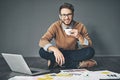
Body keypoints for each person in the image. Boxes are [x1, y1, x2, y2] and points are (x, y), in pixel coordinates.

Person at [39, 3, 97, 69]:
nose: (67, 18)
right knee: (42, 51)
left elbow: (89, 44)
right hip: (59, 52)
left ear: (73, 15)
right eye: (64, 15)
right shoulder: (55, 26)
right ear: (60, 16)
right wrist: (55, 50)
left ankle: (56, 62)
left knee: (90, 51)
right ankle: (78, 64)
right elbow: (42, 41)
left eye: (69, 14)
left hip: (74, 53)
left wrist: (79, 36)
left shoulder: (80, 26)